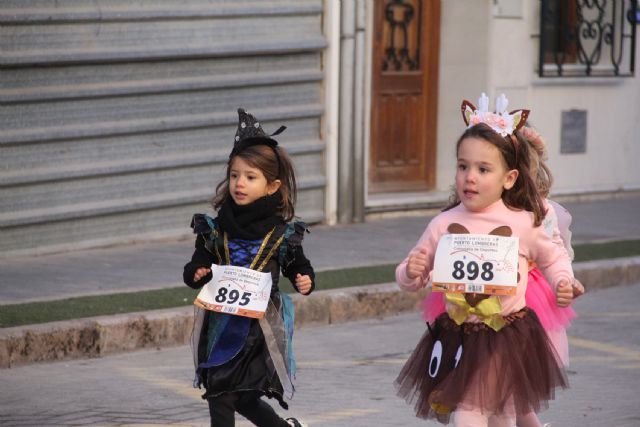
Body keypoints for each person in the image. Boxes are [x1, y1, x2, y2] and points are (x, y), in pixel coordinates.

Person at [395, 93, 573, 426]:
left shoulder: (523, 221)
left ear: (509, 178)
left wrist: (563, 280)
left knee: (470, 410)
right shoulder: (443, 223)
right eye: (463, 166)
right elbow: (411, 275)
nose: (470, 177)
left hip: (506, 335)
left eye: (483, 169)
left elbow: (553, 256)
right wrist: (411, 270)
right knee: (500, 414)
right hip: (460, 332)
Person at [183, 108, 314, 427]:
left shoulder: (281, 233)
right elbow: (199, 261)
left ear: (272, 186)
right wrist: (197, 271)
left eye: (250, 177)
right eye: (234, 175)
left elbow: (297, 263)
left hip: (259, 331)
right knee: (223, 392)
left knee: (235, 395)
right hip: (221, 325)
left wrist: (304, 277)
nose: (239, 183)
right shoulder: (215, 228)